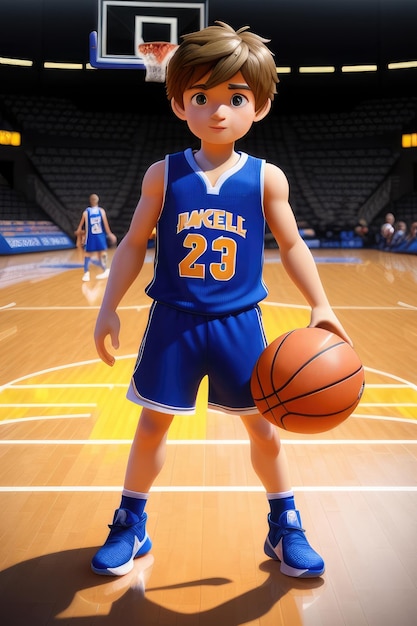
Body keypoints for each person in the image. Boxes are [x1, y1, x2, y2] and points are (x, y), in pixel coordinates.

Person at [91, 21, 351, 579]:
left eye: (235, 98)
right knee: (152, 425)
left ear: (256, 107)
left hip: (239, 322)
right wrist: (108, 304)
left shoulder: (266, 178)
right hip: (173, 321)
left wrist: (322, 304)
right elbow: (134, 241)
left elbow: (293, 242)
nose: (218, 111)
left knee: (263, 426)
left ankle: (286, 528)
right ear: (180, 102)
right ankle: (131, 523)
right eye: (201, 98)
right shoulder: (163, 173)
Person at [75, 194, 116, 281]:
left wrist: (79, 234)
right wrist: (110, 234)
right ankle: (106, 269)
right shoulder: (101, 211)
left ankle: (86, 273)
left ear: (90, 201)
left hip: (91, 237)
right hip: (100, 236)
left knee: (87, 255)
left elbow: (80, 227)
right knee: (102, 254)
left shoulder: (86, 212)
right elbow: (106, 225)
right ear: (97, 200)